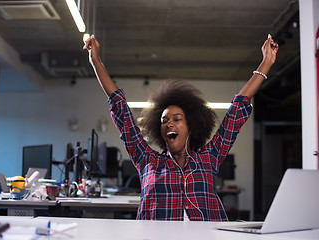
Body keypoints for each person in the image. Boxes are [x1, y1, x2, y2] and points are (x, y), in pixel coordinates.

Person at [83, 34, 279, 221]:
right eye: (164, 120)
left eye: (177, 119)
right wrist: (96, 62)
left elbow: (236, 112)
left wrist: (266, 63)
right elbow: (120, 109)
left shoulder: (210, 157)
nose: (169, 123)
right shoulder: (147, 160)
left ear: (191, 125)